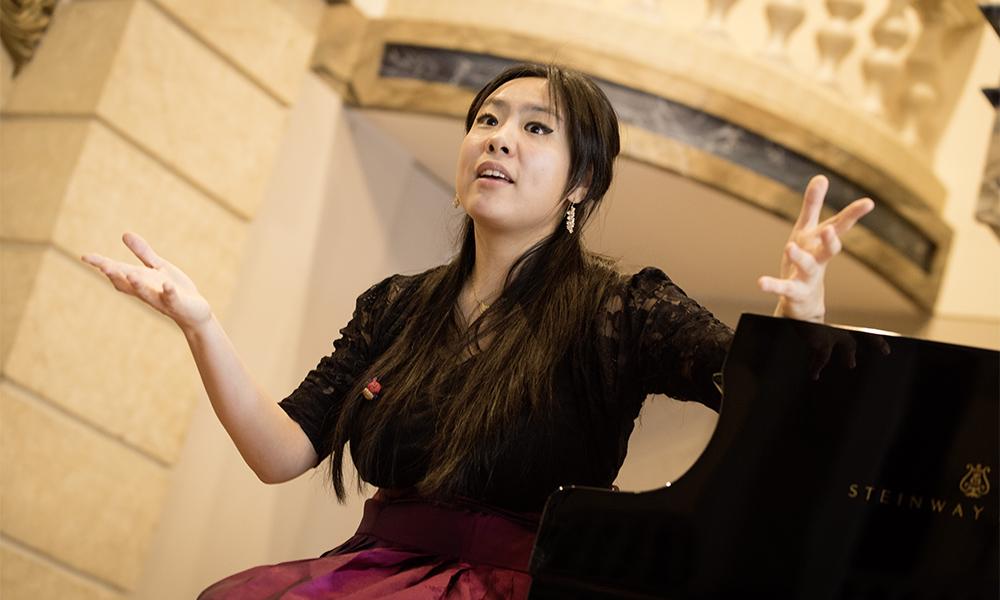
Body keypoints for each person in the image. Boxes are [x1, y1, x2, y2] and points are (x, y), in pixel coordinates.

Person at [81, 63, 873, 599]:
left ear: (581, 182)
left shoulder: (624, 310)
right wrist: (201, 325)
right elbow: (280, 452)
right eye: (487, 119)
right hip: (374, 575)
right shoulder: (396, 305)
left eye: (536, 129)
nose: (498, 137)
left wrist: (800, 312)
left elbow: (762, 401)